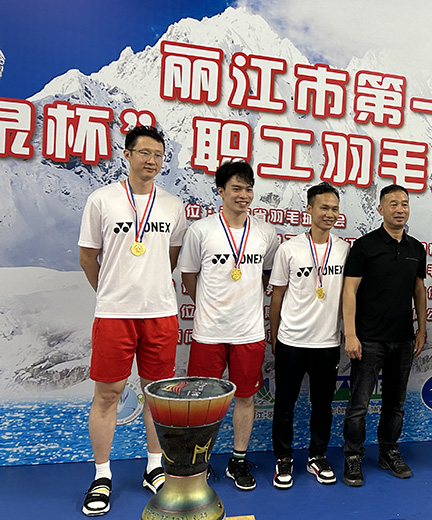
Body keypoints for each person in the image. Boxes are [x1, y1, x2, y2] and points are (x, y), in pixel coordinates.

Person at [78, 125, 187, 516]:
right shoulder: (102, 200)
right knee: (107, 395)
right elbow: (88, 257)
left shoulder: (172, 205)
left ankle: (154, 466)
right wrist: (111, 292)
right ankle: (102, 475)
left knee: (157, 396)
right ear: (127, 155)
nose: (152, 161)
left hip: (160, 313)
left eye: (158, 155)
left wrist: (147, 286)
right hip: (115, 315)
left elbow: (170, 256)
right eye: (144, 153)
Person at [178, 160, 279, 491]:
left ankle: (238, 460)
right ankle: (199, 461)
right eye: (236, 188)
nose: (243, 195)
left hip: (249, 332)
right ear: (220, 191)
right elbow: (189, 276)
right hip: (209, 332)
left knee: (246, 398)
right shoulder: (201, 231)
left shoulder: (265, 233)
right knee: (203, 402)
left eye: (248, 189)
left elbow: (266, 274)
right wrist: (208, 305)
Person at [341, 184, 427, 487]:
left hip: (403, 339)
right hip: (368, 339)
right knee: (359, 405)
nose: (400, 209)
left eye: (404, 204)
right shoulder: (364, 246)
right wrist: (351, 334)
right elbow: (349, 291)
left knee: (395, 403)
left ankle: (388, 451)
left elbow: (419, 290)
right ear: (380, 209)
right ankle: (353, 456)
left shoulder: (416, 249)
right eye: (393, 204)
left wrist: (421, 329)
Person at [269, 182, 350, 489]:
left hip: (327, 342)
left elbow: (349, 296)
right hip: (291, 340)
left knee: (323, 405)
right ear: (309, 209)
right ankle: (283, 458)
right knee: (284, 405)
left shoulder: (344, 250)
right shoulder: (289, 249)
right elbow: (277, 296)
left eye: (334, 209)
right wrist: (275, 336)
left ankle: (317, 456)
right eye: (323, 207)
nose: (329, 214)